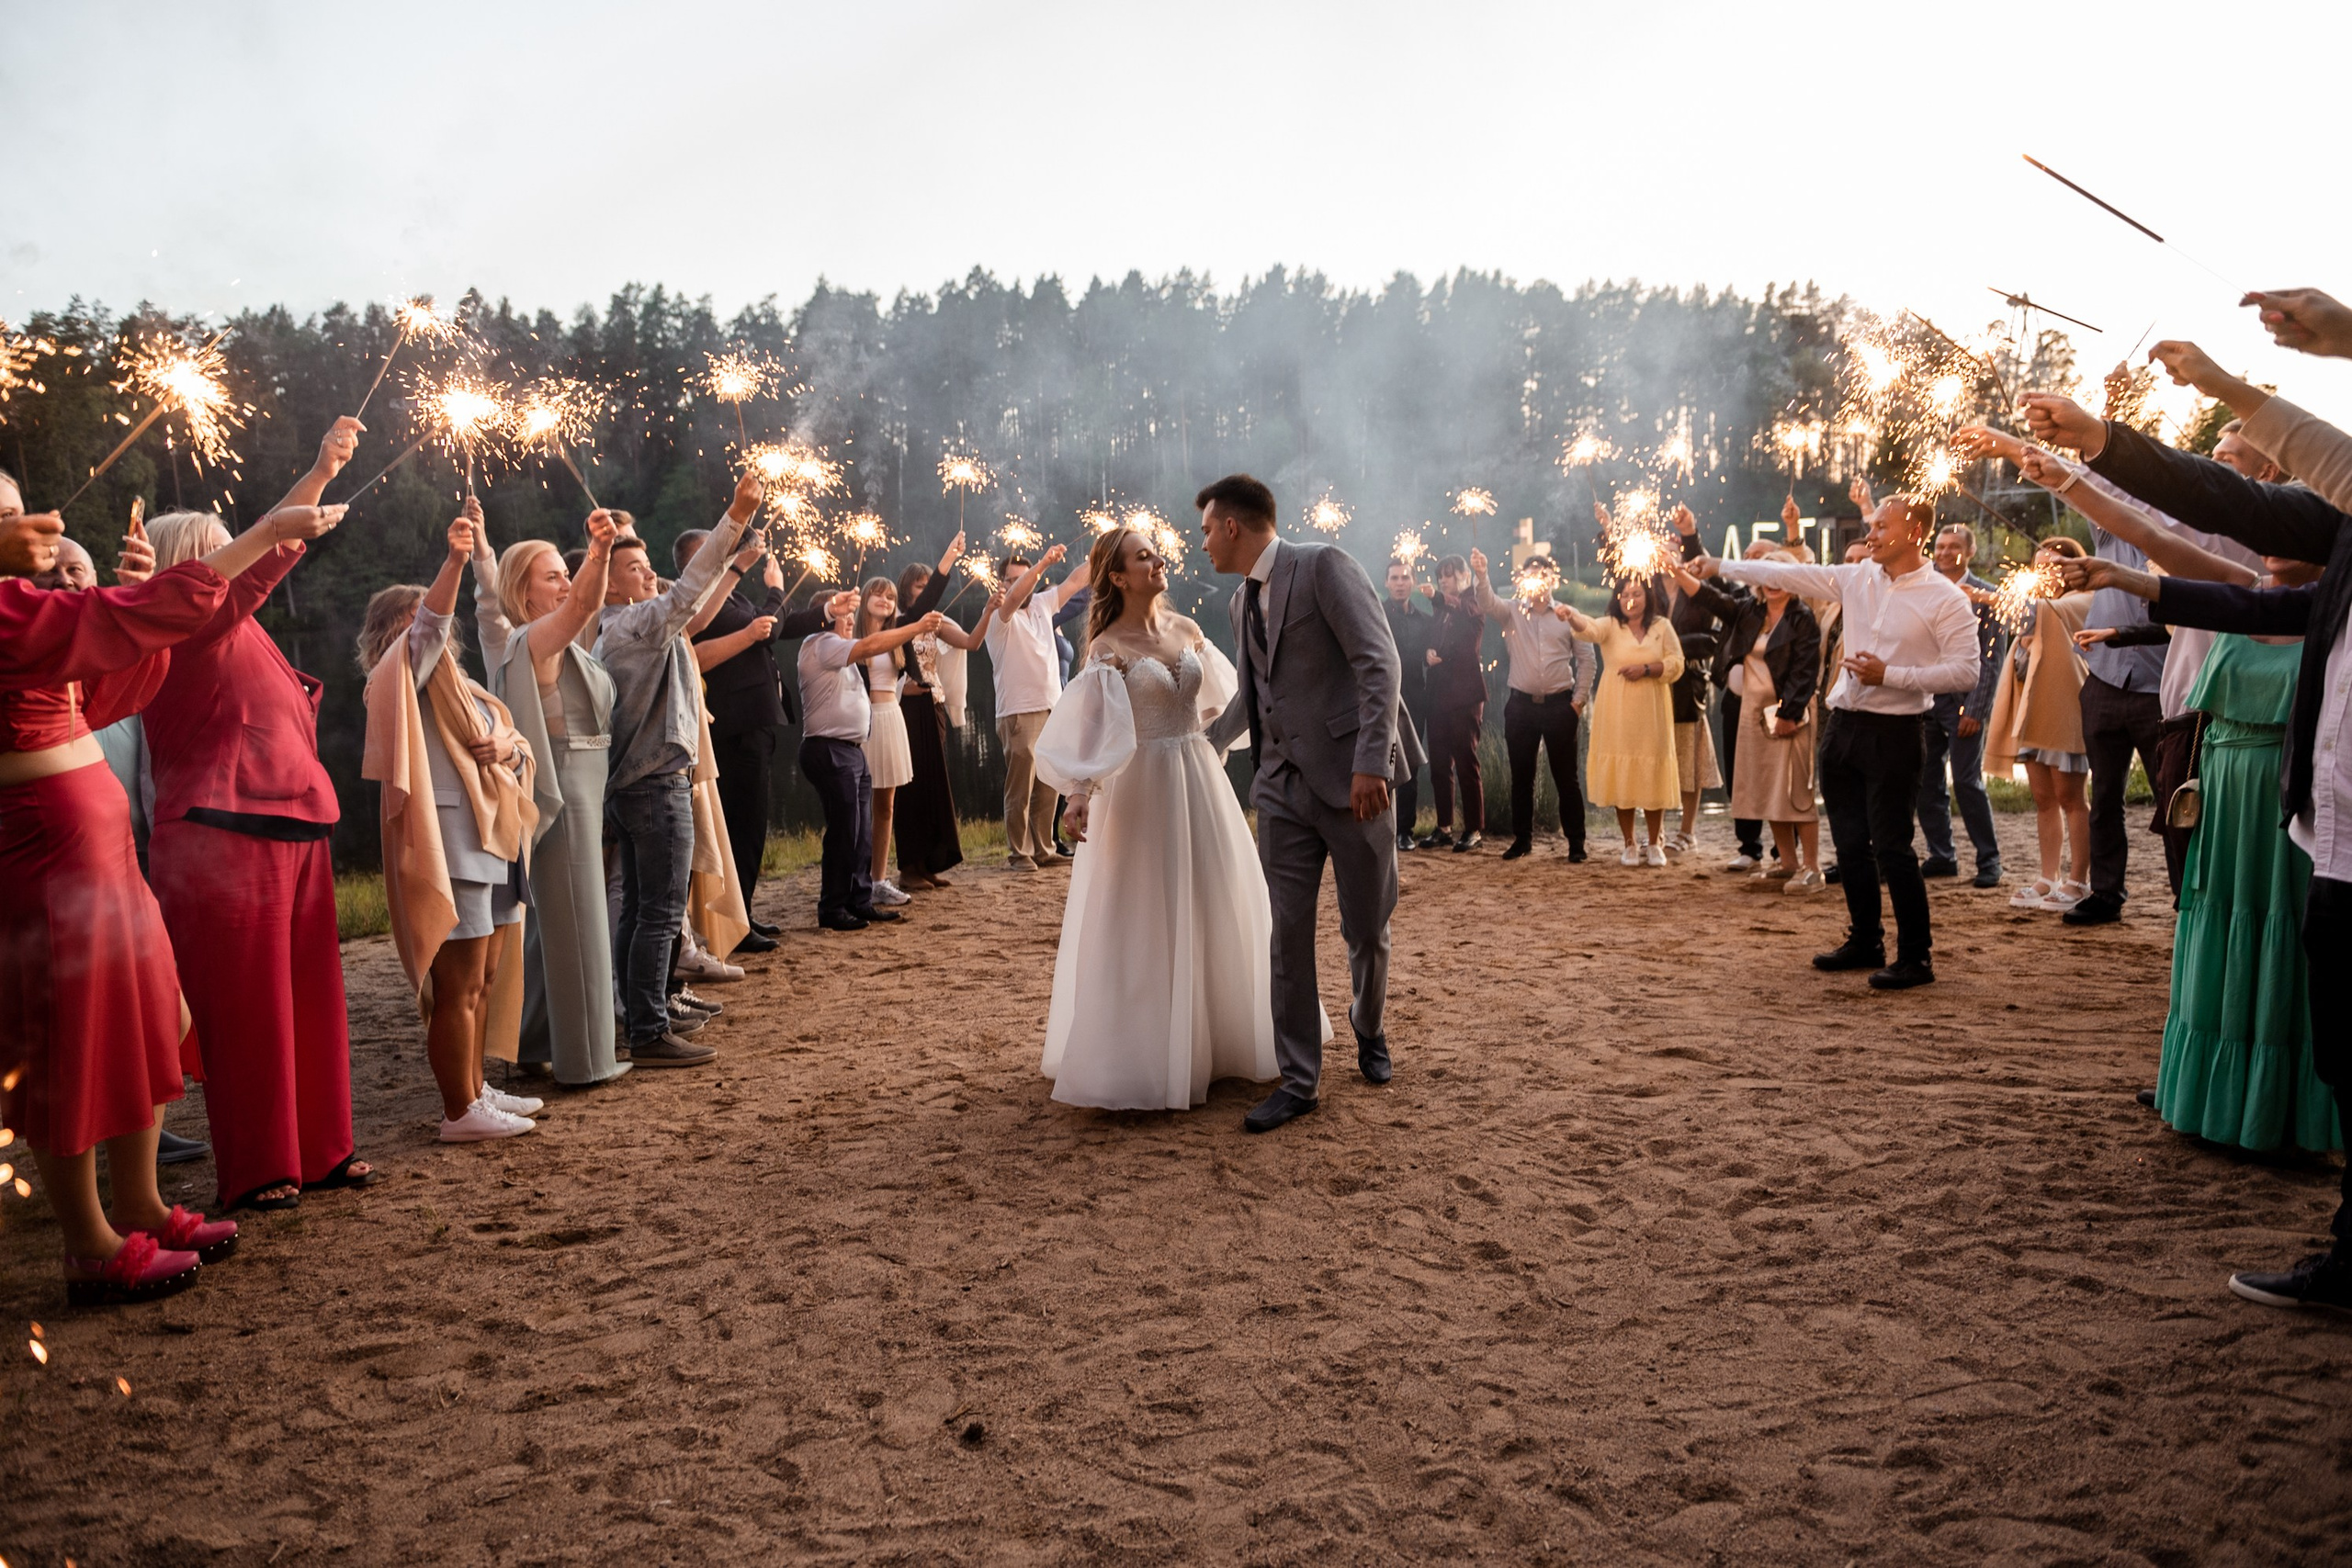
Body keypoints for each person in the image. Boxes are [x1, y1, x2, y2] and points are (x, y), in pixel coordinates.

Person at [2020, 332, 2352, 1310]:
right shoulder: (2334, 560)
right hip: (2327, 833)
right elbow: (2221, 532)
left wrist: (2220, 380)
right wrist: (2100, 454)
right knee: (2343, 1042)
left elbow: (2238, 506)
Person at [2, 470, 339, 1303]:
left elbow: (119, 673)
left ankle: (143, 1201)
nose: (25, 525)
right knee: (72, 1037)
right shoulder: (10, 613)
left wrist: (126, 595)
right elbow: (126, 624)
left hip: (98, 845)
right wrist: (257, 538)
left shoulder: (26, 613)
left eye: (19, 508)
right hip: (47, 848)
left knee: (152, 1014)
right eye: (4, 516)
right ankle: (89, 1242)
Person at [137, 417, 369, 1213]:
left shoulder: (240, 630)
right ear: (179, 569)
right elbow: (258, 566)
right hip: (220, 830)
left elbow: (259, 566)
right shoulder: (174, 626)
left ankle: (322, 1150)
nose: (226, 559)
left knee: (310, 998)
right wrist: (303, 492)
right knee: (248, 1013)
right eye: (212, 549)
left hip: (296, 819)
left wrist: (321, 467)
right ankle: (263, 1164)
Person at [2060, 547, 2335, 1154]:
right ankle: (2206, 1097)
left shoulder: (2332, 618)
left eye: (2290, 533)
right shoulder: (2239, 594)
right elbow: (2161, 546)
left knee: (2282, 936)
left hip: (2289, 795)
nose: (2271, 544)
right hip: (2219, 788)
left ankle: (2280, 1111)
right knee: (2214, 930)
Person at [1034, 525, 1287, 1107]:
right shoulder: (1107, 648)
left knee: (1213, 896)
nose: (1157, 561)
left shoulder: (1189, 630)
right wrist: (1079, 791)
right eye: (1143, 557)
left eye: (1155, 552)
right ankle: (1140, 1054)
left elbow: (1225, 702)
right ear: (1118, 576)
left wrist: (1219, 744)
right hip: (1141, 788)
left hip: (1198, 775)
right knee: (1145, 907)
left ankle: (1221, 1042)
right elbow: (1096, 728)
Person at [1198, 474, 1417, 1134]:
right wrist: (1203, 743)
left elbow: (1379, 663)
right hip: (1280, 790)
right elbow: (1258, 696)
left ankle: (1367, 1024)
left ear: (1233, 526)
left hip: (1356, 783)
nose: (1202, 541)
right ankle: (1299, 1080)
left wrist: (1370, 763)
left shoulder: (1323, 566)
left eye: (1207, 528)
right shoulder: (1240, 605)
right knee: (1285, 931)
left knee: (1366, 928)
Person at [1691, 493, 1981, 988]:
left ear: (1915, 533)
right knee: (1849, 846)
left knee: (1893, 848)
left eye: (1881, 526)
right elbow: (1786, 576)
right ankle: (1866, 940)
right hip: (1843, 727)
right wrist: (1716, 562)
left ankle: (1917, 958)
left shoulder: (1946, 598)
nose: (1871, 534)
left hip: (1896, 734)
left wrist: (1890, 674)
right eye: (1871, 525)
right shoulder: (1857, 576)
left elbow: (1967, 672)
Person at [360, 510, 542, 1139]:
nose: (428, 626)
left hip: (495, 837)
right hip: (451, 845)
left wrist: (506, 747)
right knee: (457, 982)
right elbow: (430, 630)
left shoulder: (463, 685)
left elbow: (513, 734)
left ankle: (476, 1086)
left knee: (486, 976)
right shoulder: (398, 680)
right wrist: (459, 562)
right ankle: (459, 1110)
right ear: (392, 631)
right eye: (412, 618)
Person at [594, 471, 763, 1067]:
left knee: (643, 910)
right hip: (655, 785)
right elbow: (689, 589)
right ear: (610, 583)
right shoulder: (635, 624)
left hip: (636, 787)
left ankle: (645, 1018)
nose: (649, 576)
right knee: (660, 912)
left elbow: (684, 591)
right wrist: (736, 515)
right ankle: (649, 1029)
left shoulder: (618, 623)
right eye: (637, 569)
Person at [469, 505, 635, 1088]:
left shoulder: (549, 639)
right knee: (581, 921)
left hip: (583, 781)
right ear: (525, 592)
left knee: (551, 927)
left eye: (565, 575)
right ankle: (587, 1058)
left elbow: (581, 609)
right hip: (564, 790)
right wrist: (597, 553)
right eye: (551, 577)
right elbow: (586, 603)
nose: (564, 585)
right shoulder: (535, 638)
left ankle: (535, 1040)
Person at [1672, 546, 1824, 891]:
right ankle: (1787, 864)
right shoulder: (1748, 610)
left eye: (1779, 575)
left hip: (1790, 713)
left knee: (1796, 791)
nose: (1772, 583)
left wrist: (1789, 712)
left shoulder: (1802, 617)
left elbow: (1805, 670)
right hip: (1752, 713)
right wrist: (1676, 571)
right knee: (1768, 788)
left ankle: (1812, 868)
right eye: (1765, 575)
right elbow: (1709, 597)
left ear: (1792, 579)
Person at [797, 586, 944, 931]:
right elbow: (867, 646)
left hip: (852, 750)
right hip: (828, 749)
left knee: (861, 831)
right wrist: (913, 627)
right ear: (824, 616)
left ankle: (860, 900)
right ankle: (832, 907)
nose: (849, 619)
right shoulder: (821, 644)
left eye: (851, 614)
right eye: (841, 613)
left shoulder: (841, 650)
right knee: (844, 832)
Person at [1981, 538, 2095, 913]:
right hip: (2033, 717)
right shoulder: (2036, 612)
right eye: (2039, 566)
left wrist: (1982, 595)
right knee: (2044, 799)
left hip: (2064, 713)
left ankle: (2080, 879)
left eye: (2054, 567)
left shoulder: (2078, 602)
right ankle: (2049, 876)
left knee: (2071, 798)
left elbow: (2039, 610)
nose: (2045, 574)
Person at [1467, 546, 1591, 861]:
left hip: (1560, 706)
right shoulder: (1511, 611)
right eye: (1531, 573)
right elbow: (1486, 602)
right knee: (1521, 776)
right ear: (1523, 579)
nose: (1538, 578)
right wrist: (1482, 575)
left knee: (1567, 778)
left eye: (1543, 574)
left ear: (1552, 579)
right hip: (1521, 706)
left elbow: (1587, 661)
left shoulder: (1566, 614)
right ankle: (1522, 840)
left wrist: (1577, 704)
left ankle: (1576, 844)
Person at [1559, 574, 1683, 865]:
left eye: (1637, 594)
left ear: (1647, 597)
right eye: (1625, 593)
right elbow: (1587, 629)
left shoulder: (1661, 627)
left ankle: (1654, 843)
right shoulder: (1611, 626)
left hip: (1653, 709)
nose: (1631, 599)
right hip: (1617, 710)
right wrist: (1571, 615)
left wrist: (1648, 668)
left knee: (1653, 771)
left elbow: (1677, 663)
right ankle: (1628, 843)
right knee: (1623, 772)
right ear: (1617, 598)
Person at [982, 544, 1091, 870]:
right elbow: (1016, 597)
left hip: (1051, 707)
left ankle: (1044, 849)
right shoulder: (1000, 616)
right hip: (1018, 711)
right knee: (1021, 786)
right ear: (1001, 584)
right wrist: (1043, 563)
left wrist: (1103, 551)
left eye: (1023, 577)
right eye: (1012, 579)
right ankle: (1020, 853)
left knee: (1048, 785)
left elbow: (1074, 582)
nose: (1020, 584)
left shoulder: (1044, 603)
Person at [891, 547, 991, 889]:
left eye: (927, 586)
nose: (924, 591)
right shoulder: (897, 623)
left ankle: (928, 864)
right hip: (905, 711)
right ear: (907, 590)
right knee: (910, 786)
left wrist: (989, 611)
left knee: (933, 785)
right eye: (920, 587)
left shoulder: (935, 623)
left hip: (933, 707)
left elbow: (971, 643)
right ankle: (908, 867)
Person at [1917, 522, 2005, 888]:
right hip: (1923, 699)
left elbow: (1992, 658)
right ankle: (1942, 855)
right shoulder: (1921, 588)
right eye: (1939, 546)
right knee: (1925, 781)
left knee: (1967, 781)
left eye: (1954, 546)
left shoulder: (1987, 596)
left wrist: (1976, 710)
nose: (1944, 552)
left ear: (1969, 552)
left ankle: (1989, 860)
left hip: (1962, 703)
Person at [1658, 505, 1725, 856]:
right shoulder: (1648, 592)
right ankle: (1655, 830)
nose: (1668, 561)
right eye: (1663, 554)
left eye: (1675, 554)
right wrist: (1607, 531)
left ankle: (1686, 831)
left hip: (1688, 685)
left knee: (1689, 760)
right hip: (1652, 687)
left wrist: (1674, 651)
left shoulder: (1697, 591)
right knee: (1654, 757)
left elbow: (1713, 639)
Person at [1420, 553, 1488, 852]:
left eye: (1448, 575)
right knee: (1438, 764)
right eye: (1440, 577)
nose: (1443, 581)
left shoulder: (1473, 602)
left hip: (1465, 695)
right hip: (1437, 695)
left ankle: (1474, 829)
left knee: (1465, 761)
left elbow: (1464, 612)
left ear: (1463, 575)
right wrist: (1428, 653)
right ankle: (1444, 826)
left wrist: (1437, 595)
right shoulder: (1442, 610)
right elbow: (1433, 639)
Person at [1382, 556, 1435, 850]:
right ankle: (1382, 829)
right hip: (1381, 698)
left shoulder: (1425, 620)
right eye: (1394, 578)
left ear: (1413, 582)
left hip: (1415, 697)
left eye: (1405, 578)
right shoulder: (1375, 615)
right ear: (1386, 582)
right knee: (1380, 762)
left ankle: (1405, 831)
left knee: (1411, 765)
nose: (1400, 584)